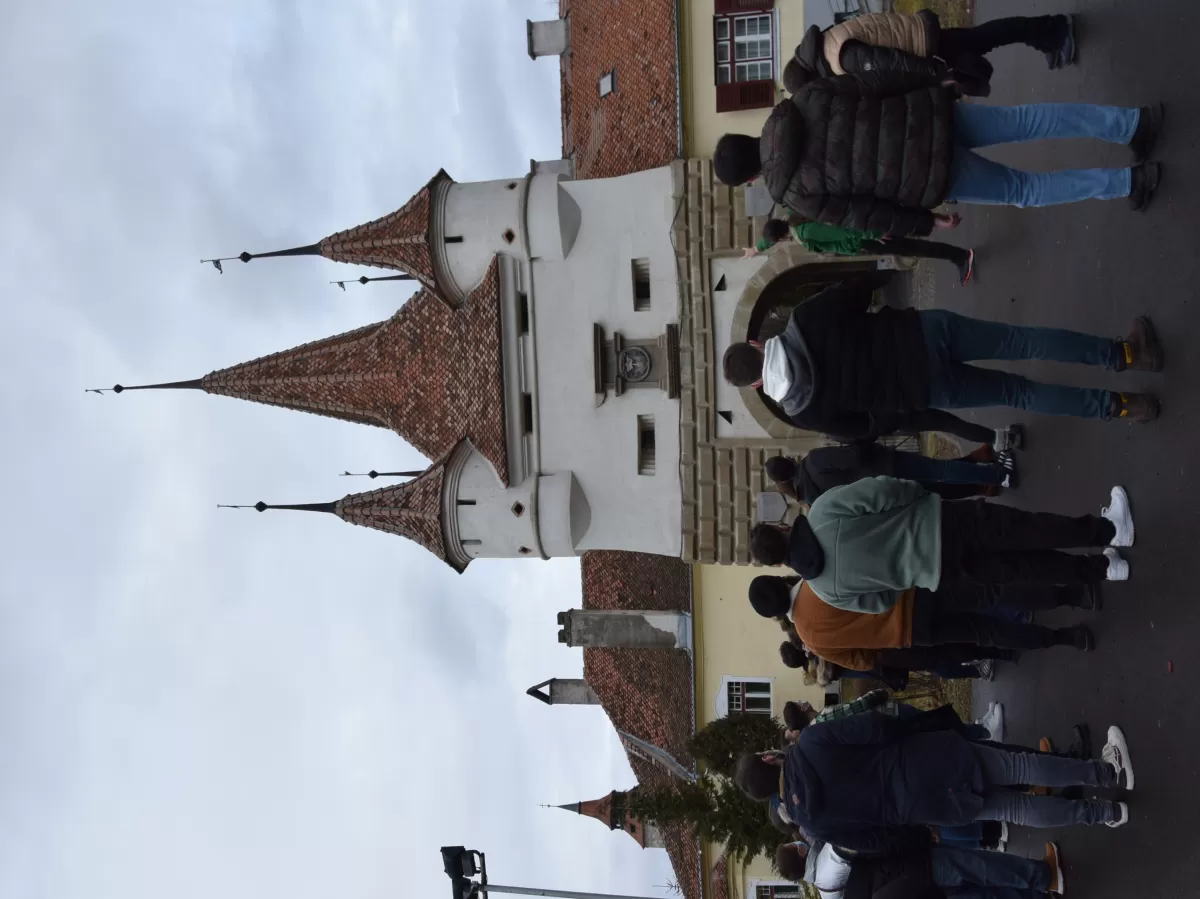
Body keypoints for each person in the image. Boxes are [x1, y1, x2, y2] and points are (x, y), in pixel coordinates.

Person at [722, 276, 1164, 434]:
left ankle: (1126, 407)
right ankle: (1125, 354)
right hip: (921, 334)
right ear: (759, 344)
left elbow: (861, 428)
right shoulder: (804, 321)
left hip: (925, 389)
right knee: (1022, 341)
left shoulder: (803, 411)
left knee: (1021, 396)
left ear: (757, 384)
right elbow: (856, 291)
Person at [713, 75, 1164, 219]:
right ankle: (1131, 125)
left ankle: (1129, 181)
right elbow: (874, 82)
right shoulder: (803, 99)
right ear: (748, 134)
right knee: (1029, 120)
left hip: (930, 177)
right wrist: (932, 81)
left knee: (1024, 190)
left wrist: (923, 221)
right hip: (931, 114)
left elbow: (868, 214)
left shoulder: (797, 196)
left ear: (752, 178)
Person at [734, 713, 1135, 849]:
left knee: (1016, 809)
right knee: (1020, 768)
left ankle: (1104, 813)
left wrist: (907, 820)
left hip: (923, 807)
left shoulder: (814, 826)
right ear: (770, 758)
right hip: (925, 760)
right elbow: (875, 727)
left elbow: (871, 841)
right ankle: (1104, 771)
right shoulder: (812, 743)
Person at [750, 547, 1102, 656]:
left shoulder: (810, 639)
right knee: (991, 594)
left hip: (910, 635)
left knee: (987, 634)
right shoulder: (817, 583)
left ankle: (1067, 639)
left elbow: (860, 662)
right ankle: (1073, 595)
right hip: (912, 595)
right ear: (779, 579)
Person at [784, 9, 1078, 101]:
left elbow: (893, 64)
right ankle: (1045, 38)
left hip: (923, 44)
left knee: (987, 37)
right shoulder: (826, 42)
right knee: (986, 39)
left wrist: (935, 72)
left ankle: (1054, 29)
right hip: (918, 35)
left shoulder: (841, 59)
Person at [774, 837, 1061, 899]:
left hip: (912, 892)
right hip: (913, 867)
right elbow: (863, 840)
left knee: (981, 897)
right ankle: (1044, 876)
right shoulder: (828, 856)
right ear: (799, 851)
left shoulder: (825, 892)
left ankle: (1038, 896)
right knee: (981, 868)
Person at [744, 216, 976, 286]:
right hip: (866, 234)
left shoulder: (804, 233)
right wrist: (755, 249)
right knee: (912, 240)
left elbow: (840, 233)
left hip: (865, 238)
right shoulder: (794, 218)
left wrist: (870, 235)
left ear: (781, 238)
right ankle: (954, 246)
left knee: (915, 247)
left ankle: (960, 256)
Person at [765, 447, 1012, 504]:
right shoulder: (813, 461)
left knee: (936, 491)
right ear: (788, 460)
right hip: (884, 465)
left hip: (883, 495)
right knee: (939, 470)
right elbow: (854, 456)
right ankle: (996, 474)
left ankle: (981, 476)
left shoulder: (812, 501)